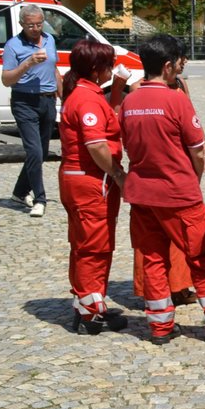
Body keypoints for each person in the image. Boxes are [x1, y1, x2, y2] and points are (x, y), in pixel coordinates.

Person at [121, 35, 205, 345]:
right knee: (200, 257)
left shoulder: (130, 101)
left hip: (142, 193)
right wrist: (193, 179)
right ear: (168, 66)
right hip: (178, 194)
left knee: (153, 259)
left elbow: (127, 143)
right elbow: (197, 149)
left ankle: (160, 327)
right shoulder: (176, 99)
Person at [58, 40, 128, 335]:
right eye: (108, 65)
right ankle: (90, 312)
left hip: (77, 177)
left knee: (83, 242)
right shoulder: (86, 99)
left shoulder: (82, 93)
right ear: (97, 69)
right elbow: (96, 144)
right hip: (90, 180)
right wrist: (116, 173)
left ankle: (87, 301)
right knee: (94, 246)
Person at [2, 5, 58, 218]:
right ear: (21, 24)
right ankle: (40, 198)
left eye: (38, 24)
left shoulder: (49, 40)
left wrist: (62, 94)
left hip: (48, 100)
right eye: (30, 25)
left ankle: (19, 192)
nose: (35, 28)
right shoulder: (13, 46)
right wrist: (28, 63)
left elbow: (54, 69)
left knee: (41, 152)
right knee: (34, 151)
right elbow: (7, 79)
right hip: (24, 101)